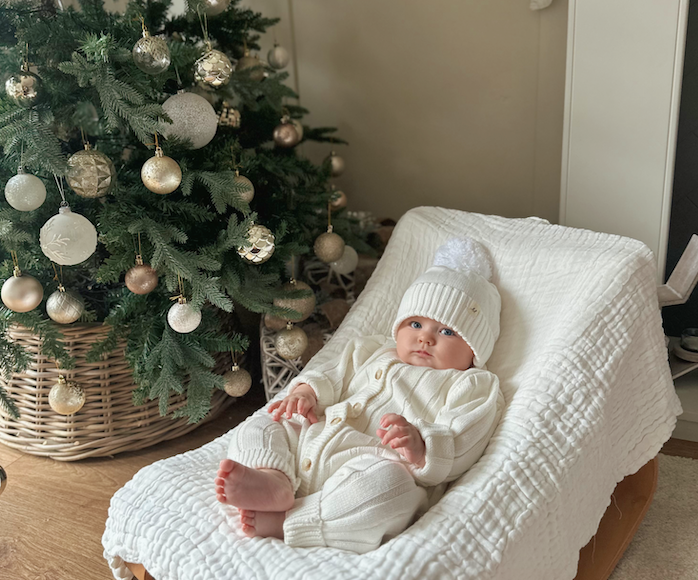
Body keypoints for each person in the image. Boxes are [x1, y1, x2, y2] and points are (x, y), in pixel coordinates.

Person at [215, 236, 504, 553]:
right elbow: (331, 374)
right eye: (415, 323)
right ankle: (272, 477)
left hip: (373, 468)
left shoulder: (473, 384)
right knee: (266, 421)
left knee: (390, 489)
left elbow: (465, 436)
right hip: (314, 439)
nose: (425, 338)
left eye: (446, 331)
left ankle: (290, 520)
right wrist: (307, 392)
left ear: (475, 348)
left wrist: (423, 444)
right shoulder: (372, 349)